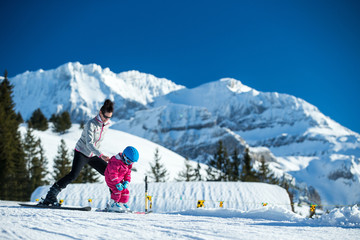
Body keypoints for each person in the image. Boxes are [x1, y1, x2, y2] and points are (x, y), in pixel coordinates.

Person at [40, 99, 114, 206]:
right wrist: (101, 155)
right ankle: (50, 196)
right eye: (105, 117)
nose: (107, 120)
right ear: (100, 113)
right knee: (73, 175)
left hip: (93, 155)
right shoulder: (91, 124)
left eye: (109, 117)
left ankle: (114, 201)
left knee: (109, 173)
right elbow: (89, 143)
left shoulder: (106, 125)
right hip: (82, 152)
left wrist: (98, 154)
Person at [105, 146, 139, 212]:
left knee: (125, 191)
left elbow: (128, 174)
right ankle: (113, 204)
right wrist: (117, 183)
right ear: (124, 156)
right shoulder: (115, 163)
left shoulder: (127, 164)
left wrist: (126, 181)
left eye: (132, 162)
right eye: (129, 161)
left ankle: (121, 203)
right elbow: (113, 174)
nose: (130, 163)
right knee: (117, 190)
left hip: (119, 180)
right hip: (111, 179)